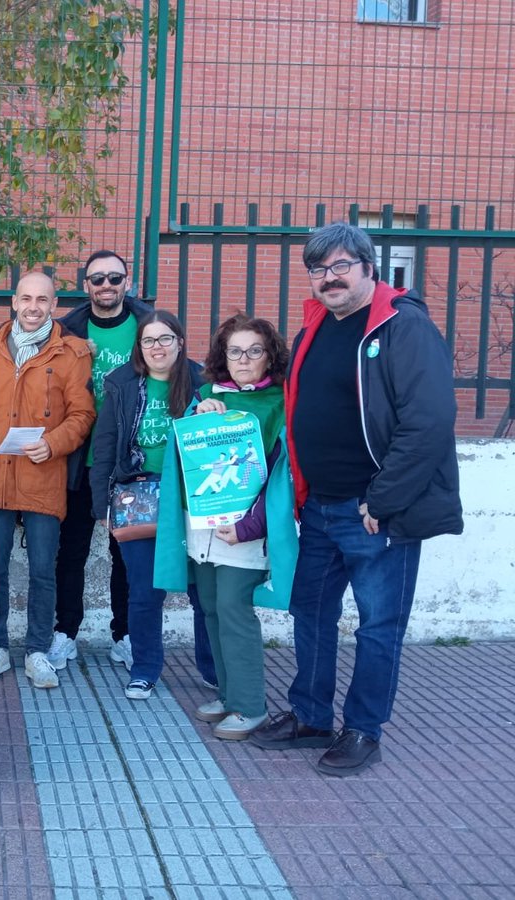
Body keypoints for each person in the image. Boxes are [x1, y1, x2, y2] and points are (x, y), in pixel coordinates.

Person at [251, 222, 462, 775]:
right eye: (319, 269)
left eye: (341, 266)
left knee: (377, 625)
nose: (329, 278)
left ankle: (363, 730)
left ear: (370, 267)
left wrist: (382, 500)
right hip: (319, 505)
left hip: (375, 514)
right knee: (310, 611)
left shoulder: (402, 327)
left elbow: (430, 423)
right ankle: (311, 715)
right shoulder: (316, 328)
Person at [155, 314, 298, 740]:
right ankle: (230, 694)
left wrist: (251, 527)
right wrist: (200, 414)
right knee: (212, 608)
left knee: (235, 611)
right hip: (202, 527)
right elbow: (187, 459)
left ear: (270, 356)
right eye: (235, 351)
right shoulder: (205, 395)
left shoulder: (280, 404)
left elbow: (279, 477)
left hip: (244, 531)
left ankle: (251, 705)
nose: (243, 359)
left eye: (254, 351)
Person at [0, 272, 95, 689]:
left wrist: (55, 443)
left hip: (43, 471)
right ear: (13, 300)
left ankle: (38, 649)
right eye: (26, 298)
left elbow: (82, 413)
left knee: (44, 569)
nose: (33, 306)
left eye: (42, 299)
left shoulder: (73, 353)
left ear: (54, 303)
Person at [89, 310, 212, 700]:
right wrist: (101, 506)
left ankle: (212, 669)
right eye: (148, 340)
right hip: (137, 496)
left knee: (203, 591)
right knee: (144, 590)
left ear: (179, 341)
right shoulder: (122, 384)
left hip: (193, 498)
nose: (157, 347)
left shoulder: (203, 382)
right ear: (139, 347)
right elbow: (104, 446)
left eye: (165, 339)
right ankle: (144, 669)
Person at [53, 250, 154, 672]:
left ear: (127, 282)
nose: (106, 286)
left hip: (128, 462)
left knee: (125, 553)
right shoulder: (67, 329)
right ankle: (65, 633)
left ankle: (125, 634)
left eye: (115, 278)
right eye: (97, 279)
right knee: (70, 550)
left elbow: (181, 370)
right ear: (86, 286)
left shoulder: (148, 325)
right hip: (79, 458)